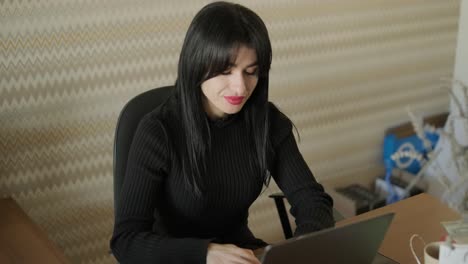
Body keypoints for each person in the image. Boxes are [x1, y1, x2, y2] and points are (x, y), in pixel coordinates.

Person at [110, 1, 334, 263]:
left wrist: (300, 253)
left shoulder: (267, 121)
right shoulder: (158, 131)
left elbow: (313, 202)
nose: (240, 88)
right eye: (226, 71)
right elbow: (126, 241)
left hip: (240, 254)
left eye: (251, 72)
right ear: (197, 65)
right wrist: (205, 252)